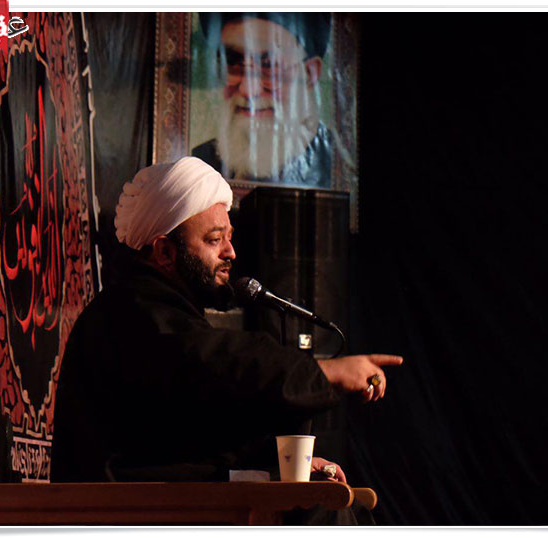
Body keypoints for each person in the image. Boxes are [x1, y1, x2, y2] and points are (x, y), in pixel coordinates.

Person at [50, 157, 402, 523]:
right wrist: (325, 373)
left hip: (158, 502)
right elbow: (219, 363)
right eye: (214, 240)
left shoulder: (158, 309)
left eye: (228, 238)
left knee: (329, 504)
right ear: (165, 252)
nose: (230, 252)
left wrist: (278, 459)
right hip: (122, 516)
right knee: (318, 515)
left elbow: (187, 430)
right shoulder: (133, 314)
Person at [192, 13, 333, 188]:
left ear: (310, 74)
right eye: (232, 62)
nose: (248, 90)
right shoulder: (201, 165)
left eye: (269, 65)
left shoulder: (337, 167)